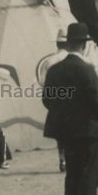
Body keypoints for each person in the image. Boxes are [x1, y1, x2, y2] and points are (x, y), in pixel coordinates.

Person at [43, 22, 98, 195]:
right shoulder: (87, 70)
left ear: (68, 43)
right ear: (84, 45)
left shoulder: (54, 70)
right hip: (89, 129)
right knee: (90, 171)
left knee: (73, 171)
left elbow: (47, 100)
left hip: (66, 129)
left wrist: (64, 113)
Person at [37, 28, 69, 172]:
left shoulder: (49, 62)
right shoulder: (74, 59)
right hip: (73, 100)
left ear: (57, 44)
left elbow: (43, 82)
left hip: (56, 101)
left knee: (61, 135)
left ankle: (62, 159)